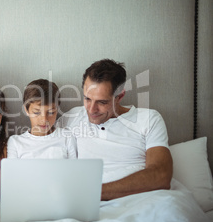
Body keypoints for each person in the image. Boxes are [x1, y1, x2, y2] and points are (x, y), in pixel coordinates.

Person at [57, 59, 173, 200]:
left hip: (140, 201)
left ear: (120, 96)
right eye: (87, 99)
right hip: (86, 205)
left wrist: (93, 192)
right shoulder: (71, 118)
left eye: (102, 102)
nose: (91, 109)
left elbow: (161, 176)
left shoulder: (148, 119)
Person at [7, 79, 77, 159]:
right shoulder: (16, 142)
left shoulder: (67, 137)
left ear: (57, 110)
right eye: (37, 113)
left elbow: (74, 169)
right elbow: (12, 171)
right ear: (26, 110)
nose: (44, 119)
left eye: (51, 112)